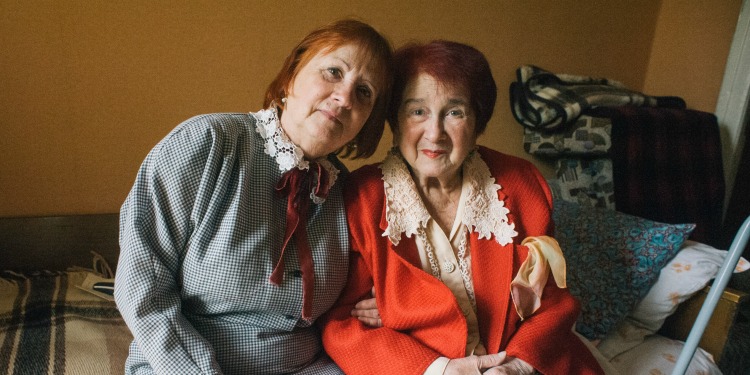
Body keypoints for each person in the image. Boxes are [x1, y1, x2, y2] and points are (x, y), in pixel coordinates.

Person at [114, 19, 393, 375]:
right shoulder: (206, 143)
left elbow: (366, 293)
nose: (344, 97)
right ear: (291, 77)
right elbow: (143, 286)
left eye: (364, 92)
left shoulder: (350, 194)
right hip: (184, 364)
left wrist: (387, 306)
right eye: (333, 72)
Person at [320, 40, 604, 374]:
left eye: (455, 112)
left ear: (477, 125)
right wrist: (438, 369)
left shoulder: (521, 184)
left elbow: (553, 300)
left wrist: (517, 366)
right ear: (395, 122)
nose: (435, 133)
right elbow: (342, 326)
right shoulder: (362, 199)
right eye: (417, 111)